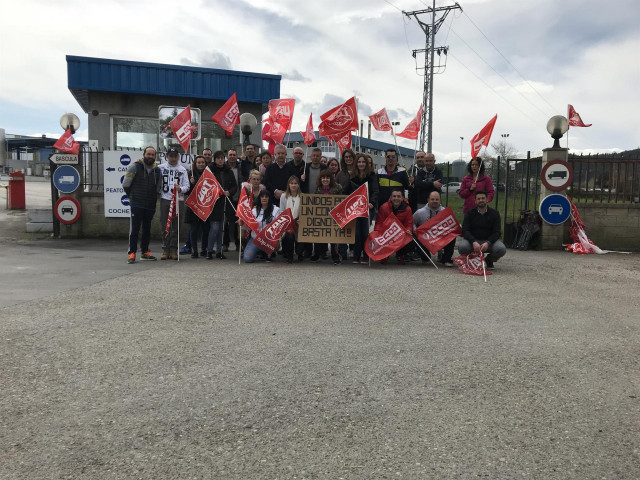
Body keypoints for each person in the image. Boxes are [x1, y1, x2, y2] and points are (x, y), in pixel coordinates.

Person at [122, 146, 161, 264]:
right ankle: (132, 253)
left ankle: (145, 252)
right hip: (136, 204)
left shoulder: (157, 171)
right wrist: (133, 197)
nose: (150, 156)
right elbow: (126, 185)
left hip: (150, 205)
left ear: (155, 156)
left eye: (153, 155)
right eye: (148, 154)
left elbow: (158, 188)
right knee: (134, 229)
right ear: (144, 154)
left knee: (147, 230)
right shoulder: (134, 167)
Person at [458, 190, 506, 269]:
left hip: (488, 241)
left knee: (501, 249)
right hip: (473, 241)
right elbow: (465, 230)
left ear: (487, 199)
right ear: (475, 201)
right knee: (462, 247)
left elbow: (497, 232)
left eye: (483, 198)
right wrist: (473, 241)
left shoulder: (495, 213)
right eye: (479, 199)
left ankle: (489, 260)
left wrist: (488, 242)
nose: (481, 200)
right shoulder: (469, 213)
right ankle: (474, 260)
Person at [345, 153, 378, 264]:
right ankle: (356, 254)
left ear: (367, 164)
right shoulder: (352, 177)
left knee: (365, 232)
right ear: (356, 163)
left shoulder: (372, 175)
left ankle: (365, 254)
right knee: (357, 233)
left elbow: (375, 191)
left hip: (367, 209)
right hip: (355, 208)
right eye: (359, 162)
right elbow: (347, 192)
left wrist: (372, 203)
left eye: (363, 162)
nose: (361, 164)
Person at [158, 147, 190, 260]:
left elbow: (187, 186)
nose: (173, 158)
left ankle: (173, 249)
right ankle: (165, 249)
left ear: (178, 157)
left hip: (178, 200)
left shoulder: (182, 170)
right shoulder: (160, 168)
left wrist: (180, 189)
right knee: (164, 225)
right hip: (165, 199)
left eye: (175, 156)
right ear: (167, 157)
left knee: (176, 226)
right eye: (171, 156)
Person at [206, 150, 237, 259]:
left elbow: (234, 186)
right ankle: (209, 250)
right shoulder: (210, 170)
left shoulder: (229, 171)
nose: (220, 160)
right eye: (218, 158)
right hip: (214, 203)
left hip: (225, 203)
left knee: (222, 229)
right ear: (215, 159)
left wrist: (229, 192)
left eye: (222, 158)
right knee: (214, 228)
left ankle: (219, 251)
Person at [413, 191, 455, 267]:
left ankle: (447, 259)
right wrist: (414, 229)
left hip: (440, 237)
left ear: (440, 200)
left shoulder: (445, 212)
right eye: (432, 199)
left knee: (452, 235)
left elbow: (451, 225)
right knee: (415, 238)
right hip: (426, 238)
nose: (434, 201)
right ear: (428, 200)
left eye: (437, 199)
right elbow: (412, 222)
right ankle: (425, 257)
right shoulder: (420, 212)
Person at [374, 188, 413, 265]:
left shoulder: (408, 209)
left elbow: (409, 224)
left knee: (411, 239)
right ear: (391, 198)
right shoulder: (383, 207)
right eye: (394, 196)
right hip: (386, 234)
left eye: (398, 196)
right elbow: (379, 222)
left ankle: (400, 254)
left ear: (402, 198)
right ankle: (384, 254)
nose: (396, 198)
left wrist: (408, 230)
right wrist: (377, 233)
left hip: (400, 234)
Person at [311, 170, 343, 264]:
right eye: (323, 178)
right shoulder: (318, 189)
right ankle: (317, 254)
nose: (325, 180)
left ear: (331, 179)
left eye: (327, 178)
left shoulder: (338, 188)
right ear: (320, 179)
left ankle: (335, 256)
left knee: (334, 238)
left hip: (334, 216)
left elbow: (341, 201)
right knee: (318, 234)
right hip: (321, 217)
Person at [242, 191, 280, 263]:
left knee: (275, 244)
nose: (264, 198)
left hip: (269, 240)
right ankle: (260, 252)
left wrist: (277, 239)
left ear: (269, 198)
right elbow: (249, 227)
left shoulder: (276, 210)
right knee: (247, 258)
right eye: (262, 197)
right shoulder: (253, 211)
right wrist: (242, 223)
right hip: (256, 239)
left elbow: (279, 227)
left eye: (266, 197)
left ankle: (268, 252)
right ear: (259, 198)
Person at [184, 155, 209, 258]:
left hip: (204, 206)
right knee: (194, 230)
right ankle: (194, 250)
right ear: (195, 163)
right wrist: (190, 184)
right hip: (193, 206)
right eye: (199, 162)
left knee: (205, 229)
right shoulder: (190, 174)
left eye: (202, 162)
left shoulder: (208, 174)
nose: (201, 164)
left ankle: (204, 249)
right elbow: (186, 191)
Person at [279, 176, 302, 263]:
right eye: (291, 183)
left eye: (295, 183)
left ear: (298, 185)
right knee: (289, 236)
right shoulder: (283, 196)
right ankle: (289, 255)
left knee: (300, 233)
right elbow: (281, 211)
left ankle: (300, 253)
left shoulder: (302, 196)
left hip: (298, 222)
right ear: (288, 185)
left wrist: (301, 220)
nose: (293, 185)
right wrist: (288, 222)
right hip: (287, 222)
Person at [223, 149, 242, 252]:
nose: (232, 157)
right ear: (227, 156)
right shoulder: (224, 168)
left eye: (234, 155)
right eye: (230, 155)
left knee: (236, 223)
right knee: (225, 223)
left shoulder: (240, 167)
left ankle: (237, 243)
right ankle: (225, 243)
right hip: (227, 198)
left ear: (237, 156)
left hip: (238, 198)